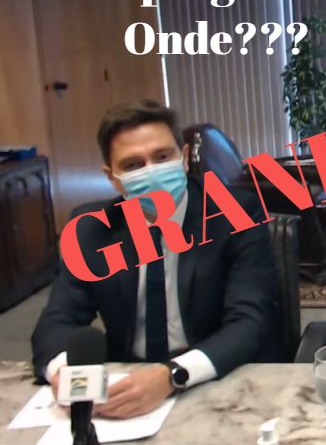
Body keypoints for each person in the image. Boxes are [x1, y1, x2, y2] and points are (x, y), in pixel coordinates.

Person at [32, 100, 281, 418]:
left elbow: (250, 322)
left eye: (162, 157)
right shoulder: (91, 230)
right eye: (133, 165)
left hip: (217, 378)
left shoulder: (235, 212)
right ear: (112, 178)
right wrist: (66, 373)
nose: (151, 171)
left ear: (185, 158)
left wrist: (172, 375)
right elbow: (56, 322)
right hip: (127, 384)